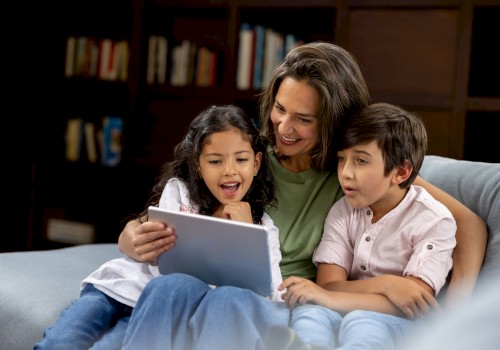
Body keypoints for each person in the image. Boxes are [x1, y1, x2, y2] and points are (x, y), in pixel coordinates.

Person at [118, 42, 487, 349]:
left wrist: (453, 320)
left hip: (281, 304)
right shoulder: (249, 157)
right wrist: (131, 237)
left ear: (333, 121)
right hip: (219, 289)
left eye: (304, 119)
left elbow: (468, 224)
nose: (284, 127)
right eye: (280, 109)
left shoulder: (352, 173)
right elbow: (175, 208)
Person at [33, 104, 283, 350]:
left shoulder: (263, 228)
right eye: (215, 161)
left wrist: (244, 234)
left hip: (151, 310)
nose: (229, 171)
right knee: (58, 343)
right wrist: (135, 241)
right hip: (117, 289)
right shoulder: (181, 193)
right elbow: (137, 233)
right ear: (198, 164)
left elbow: (268, 296)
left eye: (241, 159)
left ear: (256, 163)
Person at [270, 102, 457, 349]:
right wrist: (387, 285)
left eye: (360, 161)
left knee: (362, 322)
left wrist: (329, 297)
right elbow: (329, 285)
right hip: (342, 307)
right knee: (311, 312)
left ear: (400, 172)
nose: (345, 173)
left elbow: (411, 302)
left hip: (404, 323)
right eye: (342, 159)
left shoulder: (434, 220)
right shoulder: (343, 210)